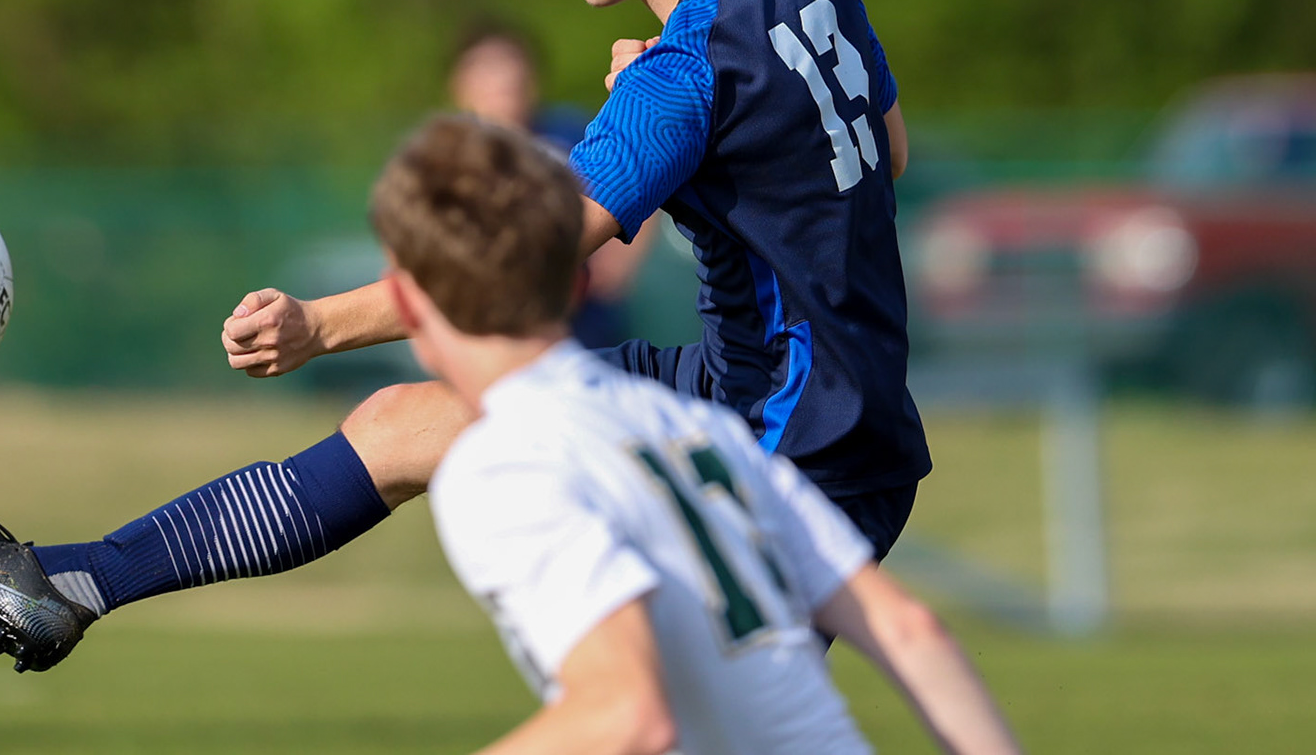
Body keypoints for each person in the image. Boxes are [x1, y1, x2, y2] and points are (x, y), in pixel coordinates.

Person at [0, 0, 928, 675]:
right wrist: (707, 147)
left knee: (646, 713)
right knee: (403, 422)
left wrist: (320, 322)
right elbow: (884, 146)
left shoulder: (679, 81)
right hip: (791, 401)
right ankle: (75, 581)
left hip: (788, 450)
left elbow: (511, 268)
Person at [381, 115, 1016, 755]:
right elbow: (911, 631)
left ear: (408, 308)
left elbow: (626, 717)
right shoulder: (700, 426)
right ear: (579, 284)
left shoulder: (503, 461)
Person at [447, 23, 652, 349]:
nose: (503, 79)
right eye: (486, 69)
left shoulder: (572, 134)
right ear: (460, 86)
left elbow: (641, 177)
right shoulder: (443, 157)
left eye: (511, 67)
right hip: (487, 323)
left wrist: (618, 261)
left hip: (580, 318)